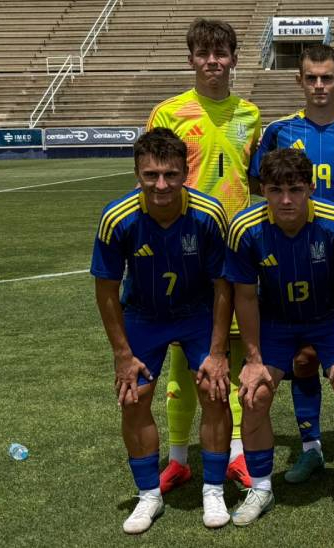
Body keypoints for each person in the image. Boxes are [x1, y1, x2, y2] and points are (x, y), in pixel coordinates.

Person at [248, 44, 334, 484]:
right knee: (302, 359)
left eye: (327, 78)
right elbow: (258, 183)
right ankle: (310, 447)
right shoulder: (279, 132)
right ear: (300, 81)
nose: (319, 86)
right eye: (311, 78)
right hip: (292, 262)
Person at [92, 128, 233, 533]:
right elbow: (106, 290)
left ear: (186, 172)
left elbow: (223, 285)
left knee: (214, 390)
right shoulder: (117, 218)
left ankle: (213, 489)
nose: (161, 185)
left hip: (197, 313)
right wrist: (122, 354)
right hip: (144, 314)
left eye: (170, 174)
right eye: (151, 175)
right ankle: (148, 494)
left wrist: (218, 352)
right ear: (137, 174)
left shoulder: (209, 214)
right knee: (133, 397)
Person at [223, 148, 334, 526]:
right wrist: (253, 360)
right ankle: (261, 488)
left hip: (327, 320)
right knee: (254, 395)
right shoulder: (245, 228)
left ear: (310, 187)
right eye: (275, 190)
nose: (286, 200)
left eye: (295, 189)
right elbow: (245, 297)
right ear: (263, 190)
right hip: (276, 322)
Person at [145, 17, 262, 491]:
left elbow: (254, 177)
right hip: (183, 249)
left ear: (233, 58)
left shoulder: (250, 114)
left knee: (231, 353)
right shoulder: (169, 113)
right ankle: (178, 458)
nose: (212, 61)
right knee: (182, 354)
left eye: (221, 53)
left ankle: (235, 453)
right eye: (203, 53)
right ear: (191, 59)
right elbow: (152, 179)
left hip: (235, 246)